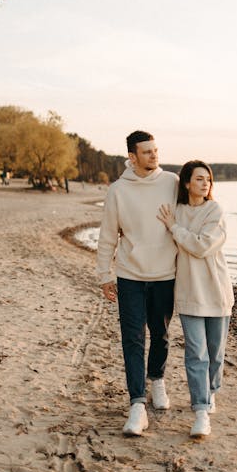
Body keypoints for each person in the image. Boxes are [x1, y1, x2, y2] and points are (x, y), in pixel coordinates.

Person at [97, 131, 178, 436]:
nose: (154, 155)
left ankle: (157, 379)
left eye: (156, 150)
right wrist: (104, 275)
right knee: (132, 340)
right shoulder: (118, 190)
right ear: (132, 157)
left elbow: (191, 213)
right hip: (130, 275)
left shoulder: (171, 182)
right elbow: (107, 235)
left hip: (164, 275)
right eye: (146, 152)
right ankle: (137, 405)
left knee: (161, 334)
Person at [157, 160, 234, 438]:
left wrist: (175, 230)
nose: (205, 184)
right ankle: (201, 410)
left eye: (208, 180)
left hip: (216, 291)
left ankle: (211, 391)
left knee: (215, 353)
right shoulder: (175, 212)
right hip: (189, 293)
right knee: (196, 354)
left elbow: (202, 246)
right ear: (186, 183)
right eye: (199, 179)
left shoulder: (215, 211)